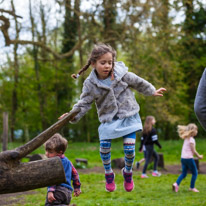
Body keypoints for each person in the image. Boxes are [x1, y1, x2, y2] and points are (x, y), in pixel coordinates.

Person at [59, 43, 166, 192]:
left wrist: (152, 90)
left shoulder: (122, 74)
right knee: (104, 148)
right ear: (93, 64)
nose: (107, 66)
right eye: (103, 63)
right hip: (108, 119)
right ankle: (109, 174)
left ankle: (127, 172)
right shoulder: (90, 84)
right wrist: (71, 115)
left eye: (110, 62)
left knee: (129, 150)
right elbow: (84, 103)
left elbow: (137, 82)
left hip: (128, 115)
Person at [44, 133, 81, 205]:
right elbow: (75, 174)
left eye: (50, 152)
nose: (47, 154)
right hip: (68, 192)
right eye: (46, 151)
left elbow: (53, 176)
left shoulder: (55, 162)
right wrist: (77, 188)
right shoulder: (68, 162)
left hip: (57, 190)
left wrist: (50, 191)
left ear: (59, 152)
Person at [172, 124, 203, 193]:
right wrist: (199, 156)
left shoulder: (186, 138)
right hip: (189, 159)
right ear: (192, 131)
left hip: (183, 158)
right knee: (195, 173)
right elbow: (193, 151)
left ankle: (176, 184)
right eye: (196, 130)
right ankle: (192, 187)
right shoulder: (191, 140)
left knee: (184, 173)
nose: (197, 131)